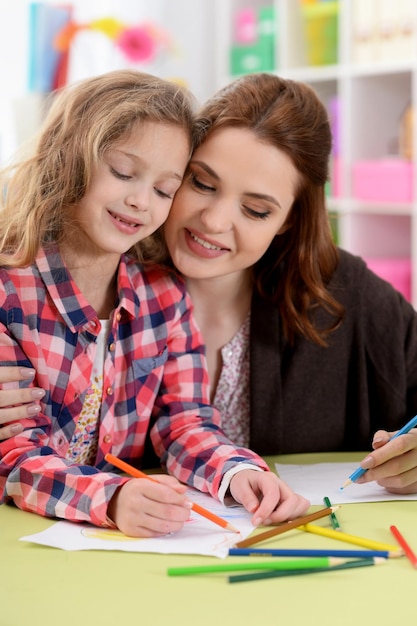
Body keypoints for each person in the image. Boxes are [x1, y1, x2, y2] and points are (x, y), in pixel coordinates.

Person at [3, 72, 417, 495]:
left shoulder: (351, 296)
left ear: (288, 219)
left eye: (256, 209)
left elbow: (186, 425)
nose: (215, 222)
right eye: (200, 183)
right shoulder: (55, 281)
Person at [0, 69, 310, 537]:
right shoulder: (10, 294)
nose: (141, 201)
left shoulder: (165, 298)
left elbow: (185, 423)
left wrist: (238, 473)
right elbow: (12, 458)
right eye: (124, 173)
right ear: (68, 158)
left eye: (165, 190)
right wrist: (112, 496)